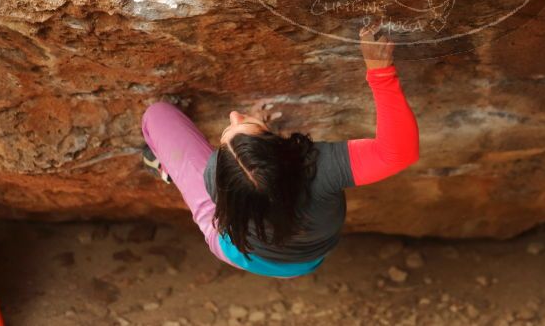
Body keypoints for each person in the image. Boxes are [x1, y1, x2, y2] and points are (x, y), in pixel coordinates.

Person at [140, 21, 419, 278]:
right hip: (309, 259)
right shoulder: (318, 168)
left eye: (231, 131)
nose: (235, 114)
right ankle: (171, 170)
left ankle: (168, 169)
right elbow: (397, 152)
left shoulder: (214, 177)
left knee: (157, 115)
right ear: (280, 147)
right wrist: (380, 72)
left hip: (243, 255)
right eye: (240, 126)